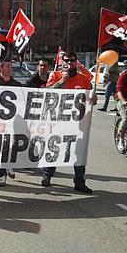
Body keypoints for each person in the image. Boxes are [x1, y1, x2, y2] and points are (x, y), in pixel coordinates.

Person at [44, 52, 97, 193]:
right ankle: (47, 175)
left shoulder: (84, 79)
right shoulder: (55, 76)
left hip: (77, 124)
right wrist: (62, 81)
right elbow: (47, 93)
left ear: (76, 62)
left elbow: (91, 99)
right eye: (66, 60)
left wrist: (93, 98)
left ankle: (79, 181)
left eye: (72, 61)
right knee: (54, 148)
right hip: (58, 122)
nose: (69, 63)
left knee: (79, 152)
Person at [0, 58, 21, 186]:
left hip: (12, 121)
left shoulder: (17, 85)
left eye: (11, 66)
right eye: (7, 66)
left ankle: (8, 164)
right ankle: (1, 173)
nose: (10, 69)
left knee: (10, 145)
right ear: (1, 68)